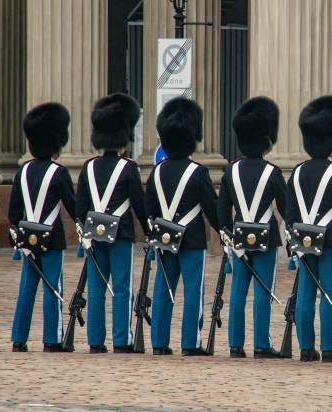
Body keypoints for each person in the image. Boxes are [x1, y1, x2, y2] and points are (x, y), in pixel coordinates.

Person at [285, 95, 332, 363]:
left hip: (303, 241)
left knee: (306, 294)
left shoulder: (296, 171)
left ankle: (306, 347)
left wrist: (291, 244)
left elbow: (289, 211)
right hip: (331, 240)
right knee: (330, 294)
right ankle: (331, 346)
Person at [76, 93, 149, 354]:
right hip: (122, 233)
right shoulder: (128, 168)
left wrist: (82, 229)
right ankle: (121, 340)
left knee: (96, 289)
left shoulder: (88, 167)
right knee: (122, 288)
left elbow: (80, 205)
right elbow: (139, 206)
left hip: (94, 233)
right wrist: (149, 232)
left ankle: (95, 341)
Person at [145, 97, 219, 356]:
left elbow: (149, 208)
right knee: (192, 291)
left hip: (165, 238)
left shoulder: (156, 172)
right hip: (192, 239)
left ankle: (159, 342)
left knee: (163, 289)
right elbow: (212, 208)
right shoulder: (198, 172)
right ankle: (190, 343)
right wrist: (224, 230)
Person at [218, 96, 286, 359]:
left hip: (237, 238)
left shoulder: (230, 171)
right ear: (265, 139)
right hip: (266, 238)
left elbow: (222, 208)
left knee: (238, 292)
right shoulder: (273, 172)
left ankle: (235, 345)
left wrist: (226, 233)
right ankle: (261, 344)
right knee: (262, 292)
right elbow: (285, 205)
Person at [9, 103, 75, 352]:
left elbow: (14, 211)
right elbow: (72, 206)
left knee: (26, 288)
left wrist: (16, 235)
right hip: (53, 238)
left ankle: (18, 339)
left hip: (27, 238)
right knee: (51, 287)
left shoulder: (22, 172)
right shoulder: (59, 172)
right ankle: (51, 339)